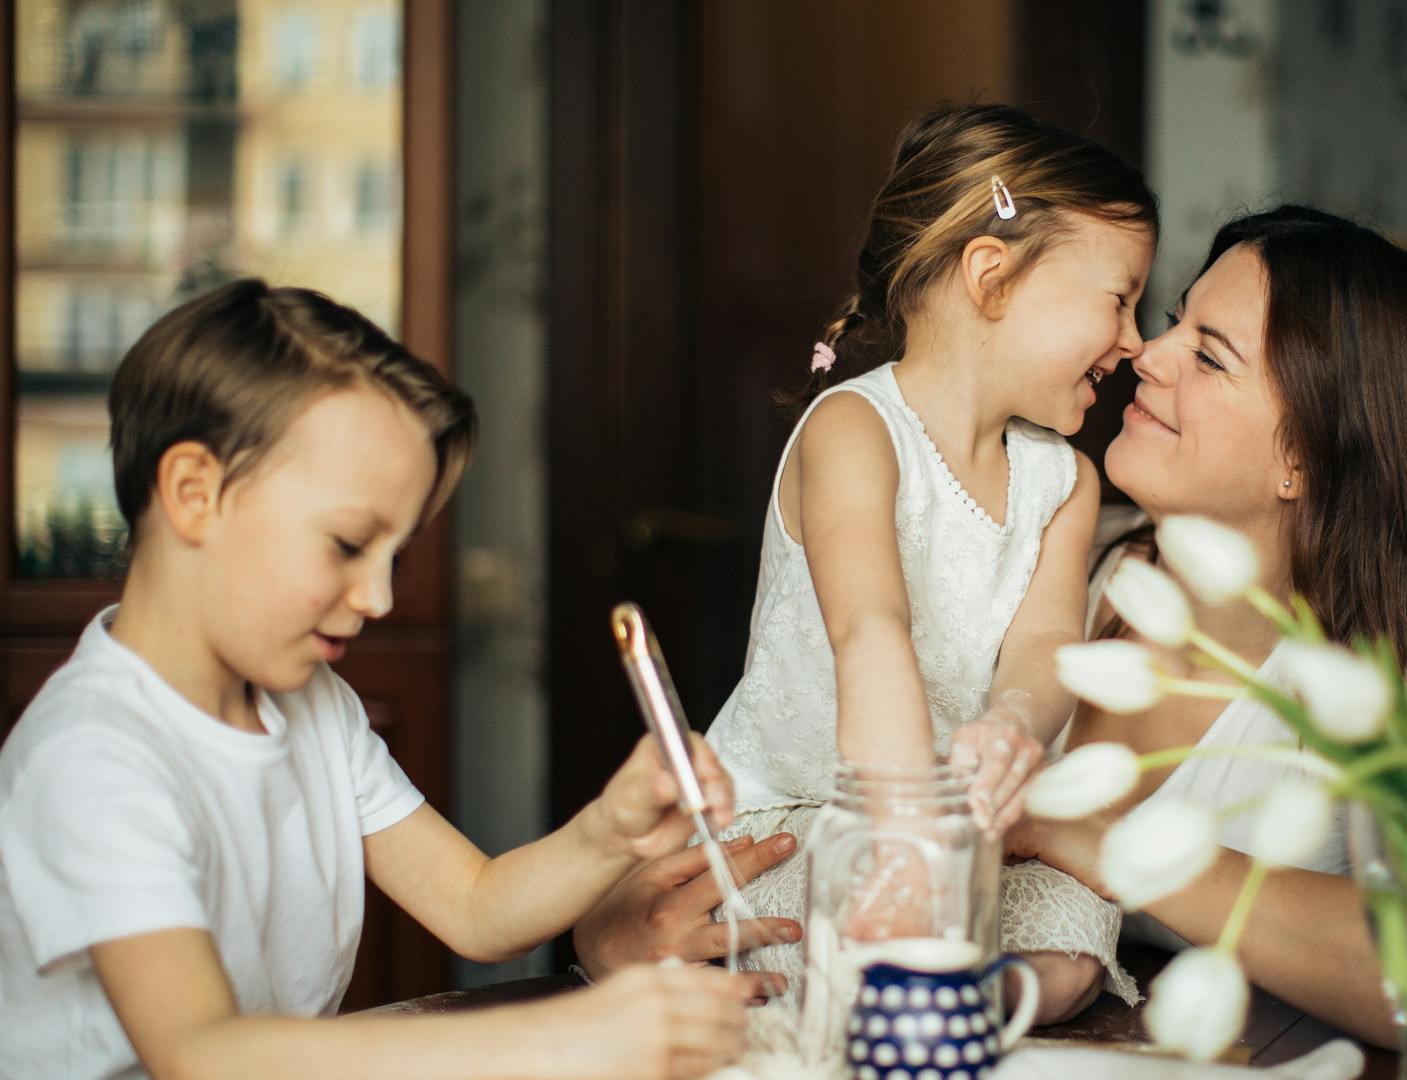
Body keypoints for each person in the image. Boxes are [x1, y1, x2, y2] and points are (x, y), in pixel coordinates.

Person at [0, 280, 760, 1080]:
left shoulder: (310, 703)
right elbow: (201, 1054)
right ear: (195, 492)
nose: (380, 598)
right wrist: (567, 1037)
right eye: (346, 544)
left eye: (391, 558)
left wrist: (612, 829)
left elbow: (474, 906)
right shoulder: (92, 758)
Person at [629, 102, 1158, 1023]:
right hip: (804, 821)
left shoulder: (1063, 483)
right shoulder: (854, 431)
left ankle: (963, 996)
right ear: (991, 277)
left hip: (962, 838)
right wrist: (905, 840)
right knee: (838, 920)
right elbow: (868, 632)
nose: (1136, 340)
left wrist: (1015, 726)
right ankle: (916, 984)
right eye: (1120, 298)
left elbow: (1043, 652)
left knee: (1076, 931)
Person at [1007, 205, 1407, 1047]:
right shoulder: (1053, 558)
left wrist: (1106, 841)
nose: (1148, 351)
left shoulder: (1372, 697)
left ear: (1304, 459)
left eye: (1209, 355)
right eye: (1178, 321)